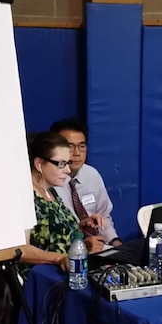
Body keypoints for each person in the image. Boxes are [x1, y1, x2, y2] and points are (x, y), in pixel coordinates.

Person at [26, 131, 105, 277]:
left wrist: (80, 227)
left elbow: (55, 235)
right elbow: (21, 250)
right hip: (41, 279)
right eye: (61, 164)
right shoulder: (25, 197)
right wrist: (59, 258)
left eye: (67, 163)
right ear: (39, 164)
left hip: (68, 272)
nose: (68, 170)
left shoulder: (51, 191)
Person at [50, 118, 123, 246]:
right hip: (68, 250)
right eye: (70, 147)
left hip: (99, 246)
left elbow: (104, 215)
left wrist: (114, 241)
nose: (77, 153)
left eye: (82, 146)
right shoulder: (50, 182)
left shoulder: (92, 174)